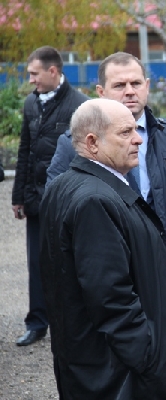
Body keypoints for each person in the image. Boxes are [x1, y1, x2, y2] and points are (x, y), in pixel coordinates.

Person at [46, 52, 166, 360]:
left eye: (136, 83)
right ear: (100, 92)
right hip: (112, 292)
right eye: (119, 85)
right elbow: (57, 209)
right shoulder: (75, 144)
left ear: (147, 86)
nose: (129, 91)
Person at [40, 98, 166, 399]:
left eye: (135, 130)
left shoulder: (70, 185)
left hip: (98, 366)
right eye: (125, 133)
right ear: (92, 143)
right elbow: (110, 297)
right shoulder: (95, 200)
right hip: (116, 376)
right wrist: (148, 359)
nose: (138, 139)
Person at [11, 46, 88, 346]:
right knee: (37, 263)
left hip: (67, 201)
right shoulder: (31, 103)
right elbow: (25, 150)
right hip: (35, 199)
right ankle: (37, 322)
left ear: (52, 71)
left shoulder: (80, 105)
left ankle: (74, 323)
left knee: (71, 261)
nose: (30, 80)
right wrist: (19, 196)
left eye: (34, 74)